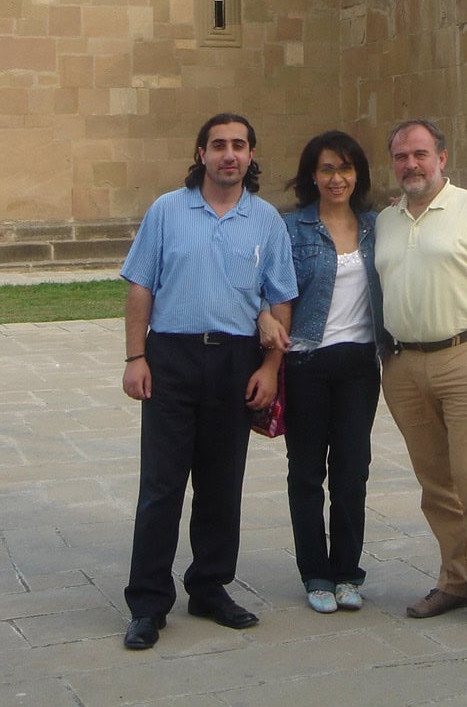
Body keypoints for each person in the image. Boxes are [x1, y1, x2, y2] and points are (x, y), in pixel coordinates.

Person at [120, 113, 297, 650]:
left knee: (222, 485)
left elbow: (282, 297)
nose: (229, 154)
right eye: (218, 145)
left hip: (234, 362)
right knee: (161, 489)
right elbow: (140, 288)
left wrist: (269, 369)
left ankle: (210, 587)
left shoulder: (266, 220)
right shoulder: (167, 211)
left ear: (251, 155)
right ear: (201, 153)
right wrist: (135, 357)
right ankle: (148, 604)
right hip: (170, 357)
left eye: (239, 145)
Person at [374, 119, 467, 638]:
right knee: (436, 484)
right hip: (403, 366)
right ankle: (456, 580)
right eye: (400, 157)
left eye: (420, 154)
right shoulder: (387, 221)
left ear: (442, 157)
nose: (410, 165)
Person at [259, 131, 388, 615]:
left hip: (359, 364)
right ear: (312, 175)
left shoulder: (378, 226)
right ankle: (315, 572)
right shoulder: (291, 228)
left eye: (347, 169)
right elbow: (267, 287)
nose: (338, 178)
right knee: (307, 473)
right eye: (328, 169)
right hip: (306, 361)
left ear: (360, 174)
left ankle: (348, 572)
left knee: (352, 473)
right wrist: (263, 320)